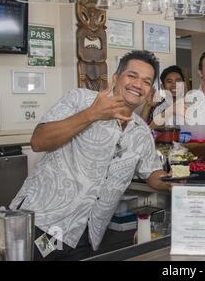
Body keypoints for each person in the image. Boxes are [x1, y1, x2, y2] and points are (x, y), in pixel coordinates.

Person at [10, 50, 172, 261]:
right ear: (116, 77)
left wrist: (173, 181)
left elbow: (151, 173)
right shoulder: (80, 99)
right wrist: (91, 114)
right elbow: (38, 141)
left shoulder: (141, 131)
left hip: (86, 236)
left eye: (146, 81)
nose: (138, 84)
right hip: (43, 223)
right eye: (132, 76)